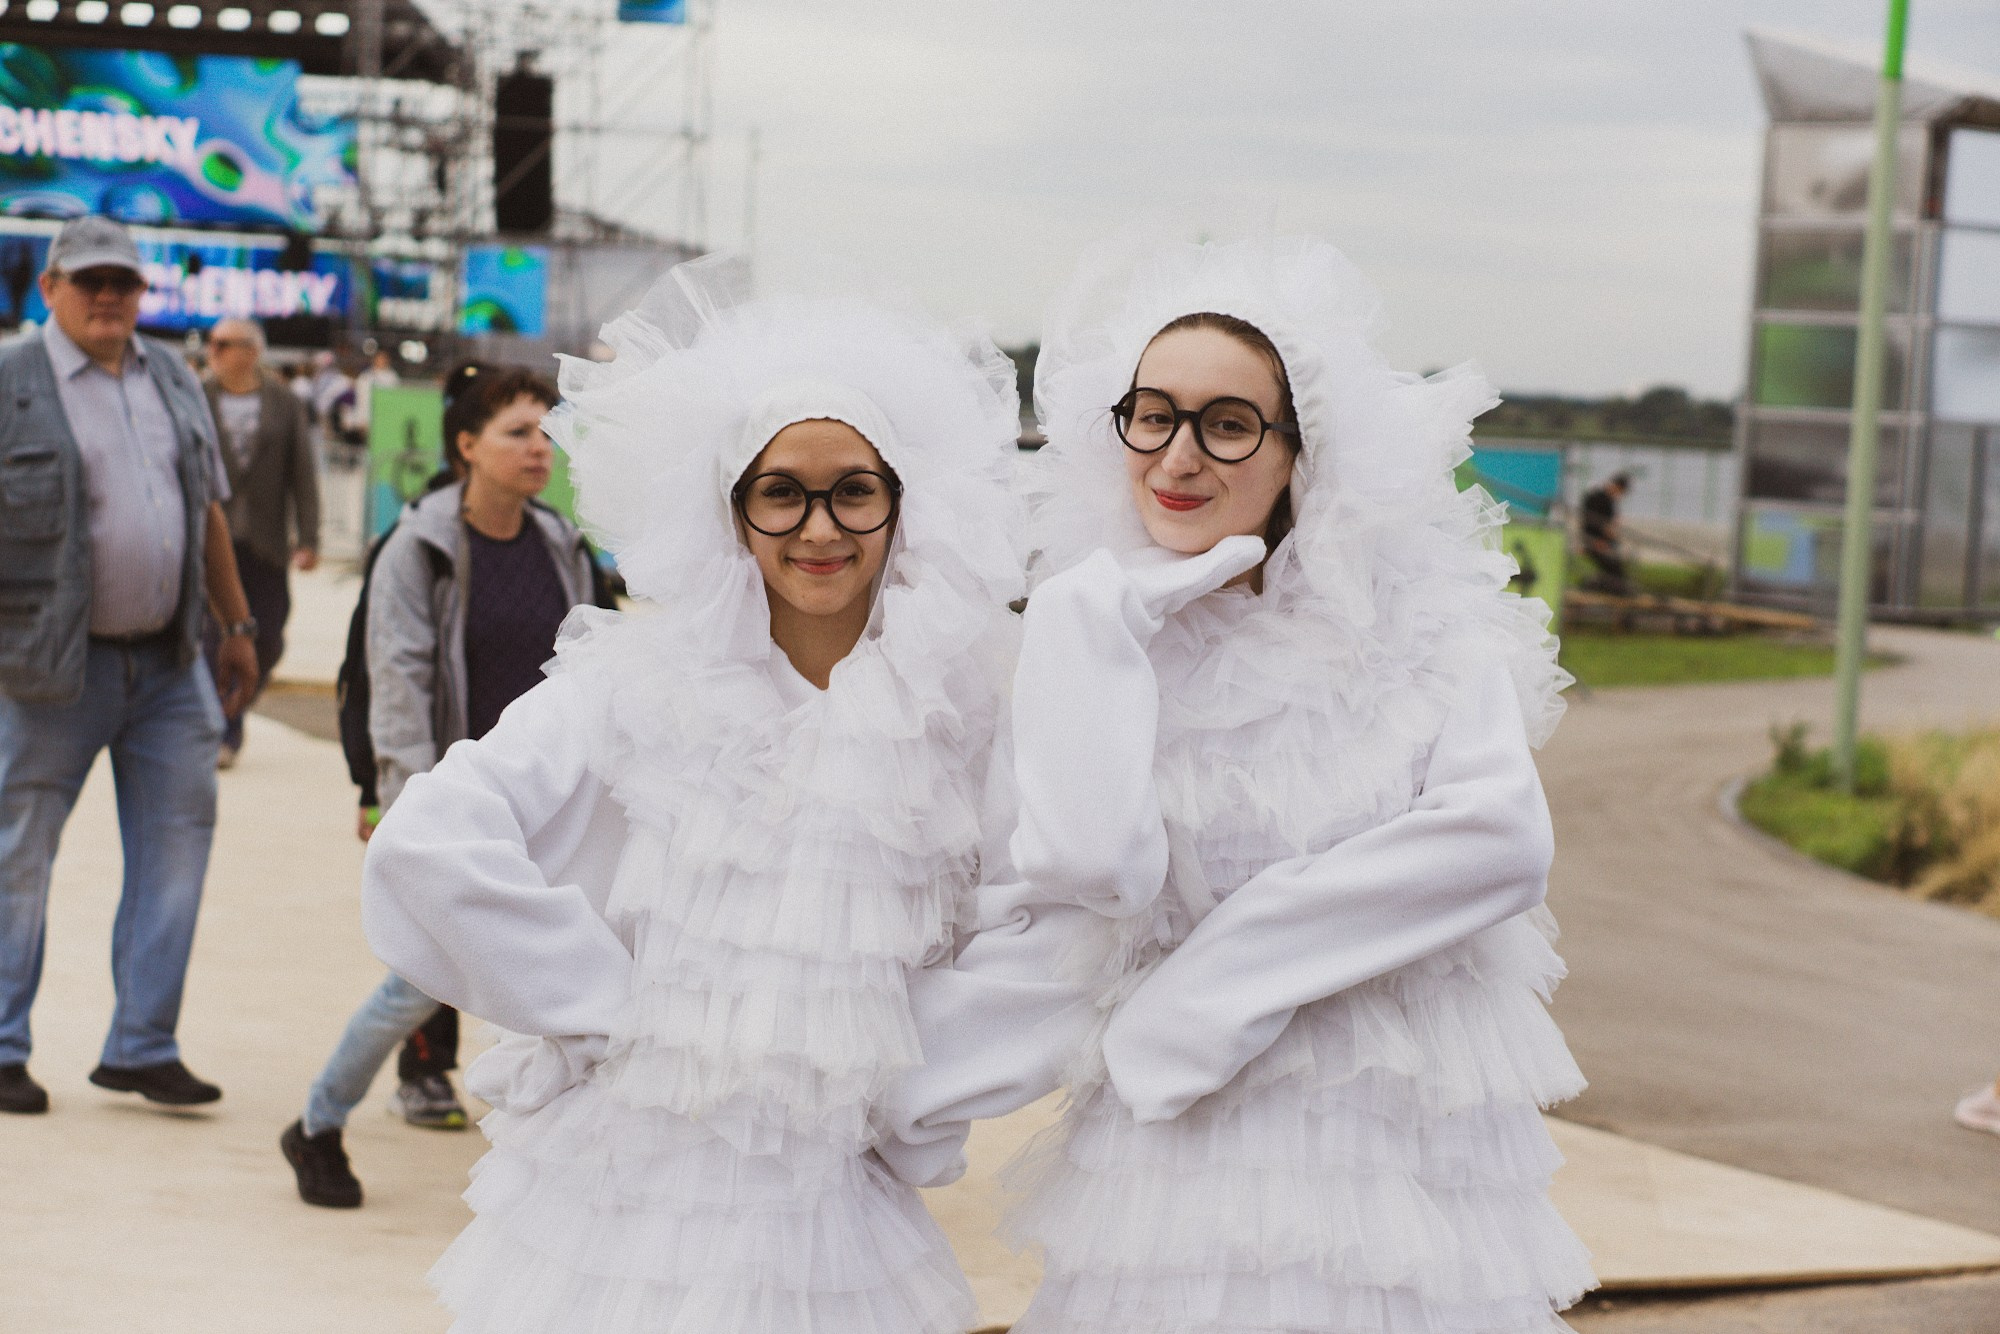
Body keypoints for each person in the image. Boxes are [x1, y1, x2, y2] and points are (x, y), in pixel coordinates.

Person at [887, 236, 1594, 1333]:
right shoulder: (1087, 633)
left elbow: (1496, 838)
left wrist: (1218, 979)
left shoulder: (1420, 633)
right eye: (1150, 415)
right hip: (1179, 1163)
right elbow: (1071, 904)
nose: (1176, 456)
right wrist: (891, 1094)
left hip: (1382, 1160)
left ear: (1297, 450)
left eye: (1226, 423)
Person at [360, 258, 1024, 1328]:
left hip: (837, 1216)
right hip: (628, 1207)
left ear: (903, 502)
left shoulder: (967, 713)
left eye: (853, 488)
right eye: (780, 491)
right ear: (731, 509)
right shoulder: (631, 685)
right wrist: (610, 1013)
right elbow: (426, 845)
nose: (818, 529)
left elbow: (1047, 928)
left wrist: (913, 1090)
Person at [280, 361, 608, 1205]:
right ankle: (317, 1123)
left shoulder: (561, 543)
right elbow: (398, 679)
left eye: (546, 431)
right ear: (466, 446)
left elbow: (591, 671)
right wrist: (404, 808)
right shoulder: (419, 547)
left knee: (554, 978)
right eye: (518, 433)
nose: (541, 448)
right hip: (463, 805)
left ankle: (563, 1166)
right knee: (419, 981)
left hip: (551, 802)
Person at [0, 215, 259, 1116]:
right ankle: (1, 1046)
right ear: (50, 287)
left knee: (176, 854)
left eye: (124, 281)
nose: (109, 296)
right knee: (18, 858)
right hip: (45, 673)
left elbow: (210, 512)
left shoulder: (175, 381)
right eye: (90, 280)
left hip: (171, 665)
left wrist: (237, 624)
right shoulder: (9, 381)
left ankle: (142, 1046)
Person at [201, 317, 320, 768]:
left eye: (224, 343)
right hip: (212, 543)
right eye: (213, 343)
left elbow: (302, 473)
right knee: (216, 636)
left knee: (268, 635)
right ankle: (222, 729)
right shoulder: (197, 396)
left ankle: (236, 703)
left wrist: (309, 537)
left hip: (266, 542)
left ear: (252, 351)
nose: (214, 351)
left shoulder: (284, 402)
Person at [1581, 471, 1631, 594]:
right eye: (1621, 492)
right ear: (1617, 487)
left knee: (1616, 569)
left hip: (1603, 543)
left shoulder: (1609, 501)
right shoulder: (1597, 498)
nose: (1620, 496)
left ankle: (1604, 589)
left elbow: (1610, 525)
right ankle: (1593, 587)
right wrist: (1597, 541)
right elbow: (1591, 523)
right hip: (1595, 541)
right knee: (1614, 570)